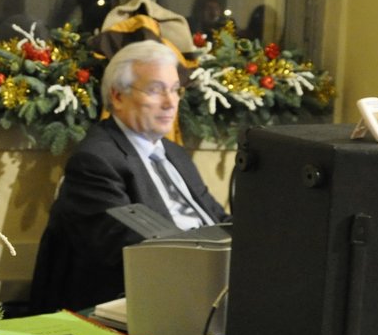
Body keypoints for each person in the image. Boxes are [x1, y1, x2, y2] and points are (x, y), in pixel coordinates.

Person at [28, 40, 228, 313]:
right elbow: (131, 248)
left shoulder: (175, 154)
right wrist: (214, 267)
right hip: (137, 303)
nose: (171, 102)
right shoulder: (96, 161)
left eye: (174, 90)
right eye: (156, 90)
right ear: (118, 96)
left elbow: (216, 218)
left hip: (208, 285)